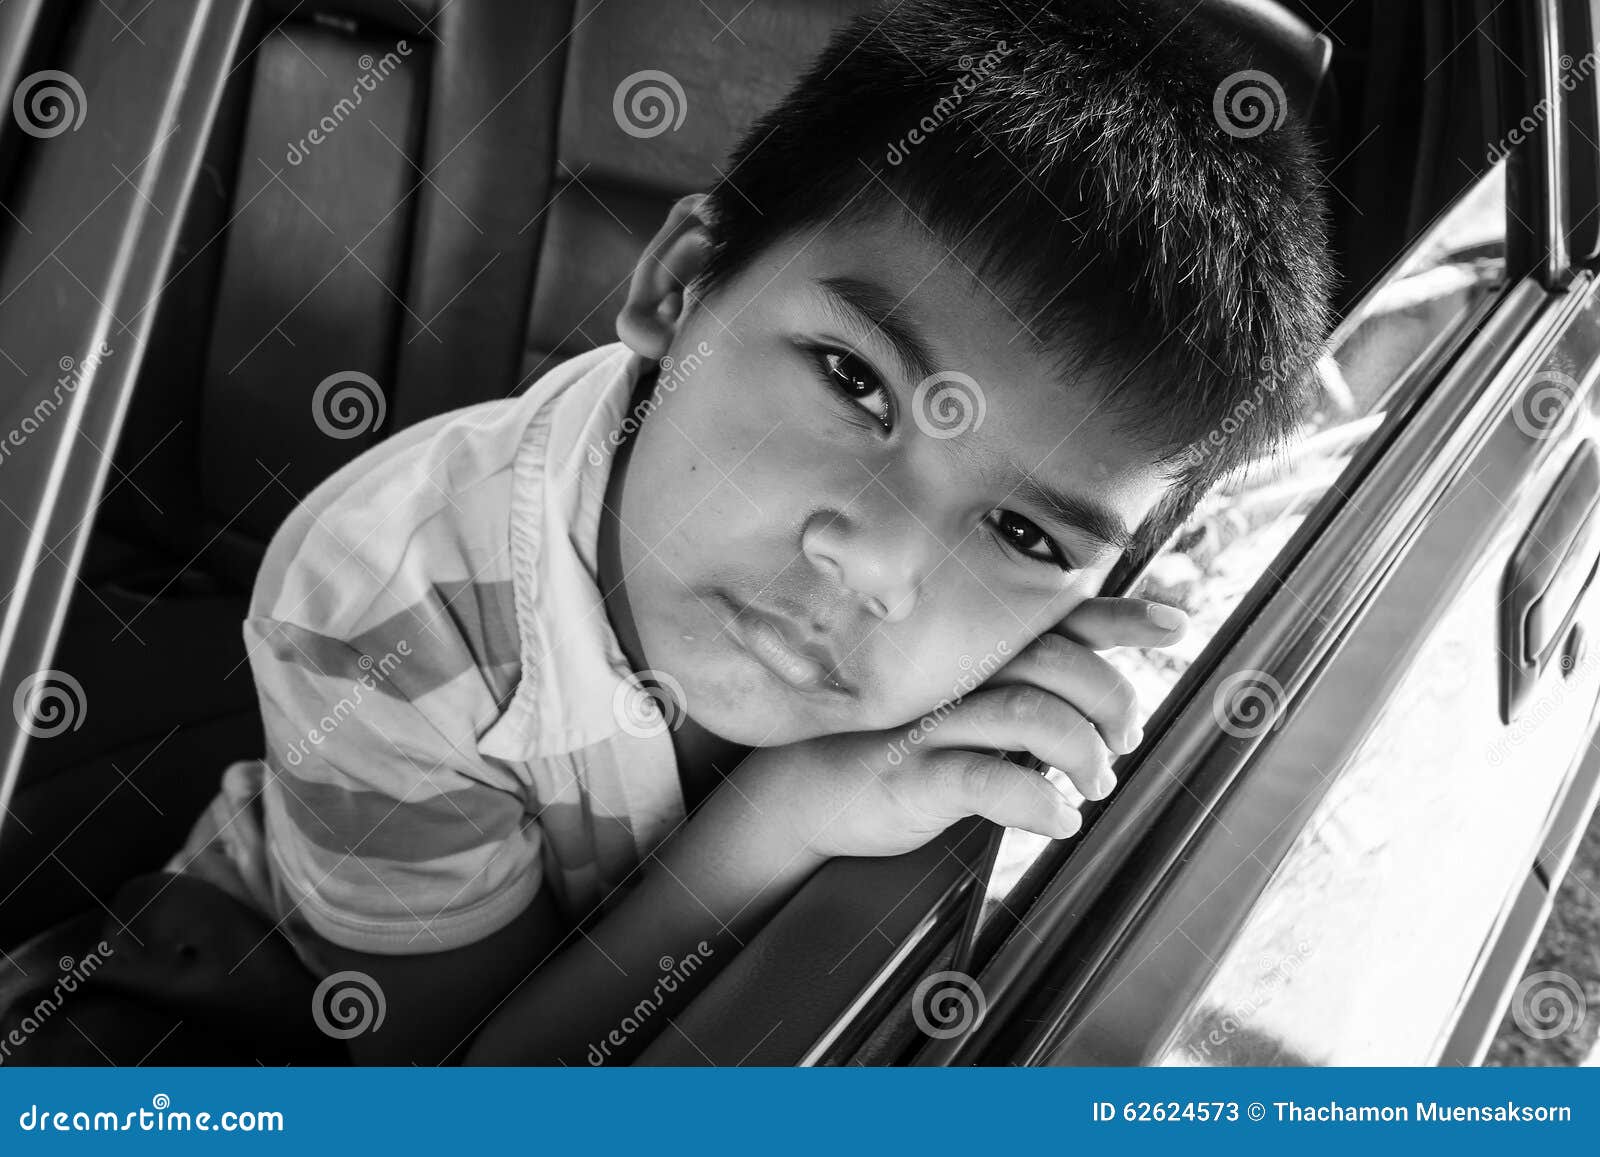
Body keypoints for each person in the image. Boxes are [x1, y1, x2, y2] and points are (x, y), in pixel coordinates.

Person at [3, 0, 1332, 1065]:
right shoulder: (386, 602)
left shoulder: (1006, 637)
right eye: (854, 381)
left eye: (1027, 535)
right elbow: (474, 1086)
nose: (879, 563)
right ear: (680, 284)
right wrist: (783, 820)